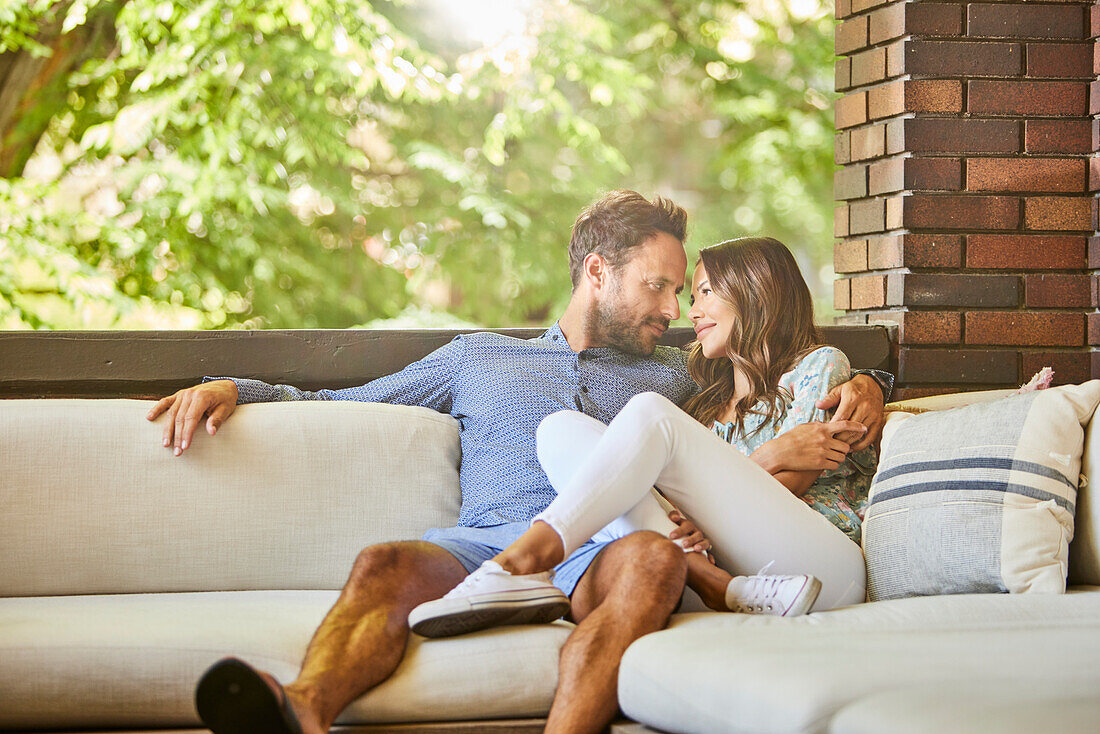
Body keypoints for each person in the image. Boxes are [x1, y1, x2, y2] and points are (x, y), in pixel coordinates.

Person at [145, 192, 889, 734]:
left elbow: (775, 381)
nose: (671, 307)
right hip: (485, 543)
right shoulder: (478, 357)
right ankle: (301, 710)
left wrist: (868, 387)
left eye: (679, 290)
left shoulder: (677, 376)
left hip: (607, 552)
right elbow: (351, 400)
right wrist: (233, 387)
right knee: (382, 564)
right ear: (597, 273)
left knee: (651, 563)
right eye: (656, 286)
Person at [408, 236, 876, 637]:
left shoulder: (820, 367)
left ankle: (519, 562)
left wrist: (868, 386)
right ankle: (717, 586)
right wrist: (725, 489)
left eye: (706, 292)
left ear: (754, 292)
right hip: (745, 577)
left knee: (649, 411)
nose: (689, 313)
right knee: (559, 430)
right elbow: (700, 504)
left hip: (823, 567)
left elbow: (791, 486)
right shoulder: (704, 400)